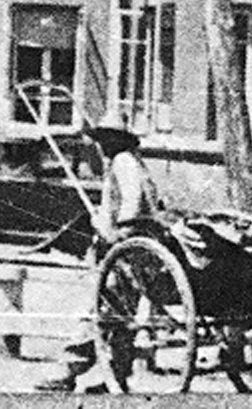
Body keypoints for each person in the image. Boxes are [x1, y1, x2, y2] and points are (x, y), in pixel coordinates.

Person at [37, 112, 160, 393]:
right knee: (120, 316)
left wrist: (113, 230)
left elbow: (132, 204)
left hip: (123, 252)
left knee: (96, 311)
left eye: (106, 139)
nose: (101, 145)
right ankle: (116, 376)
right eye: (101, 139)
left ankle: (67, 372)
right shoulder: (133, 162)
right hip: (132, 253)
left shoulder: (123, 162)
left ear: (118, 140)